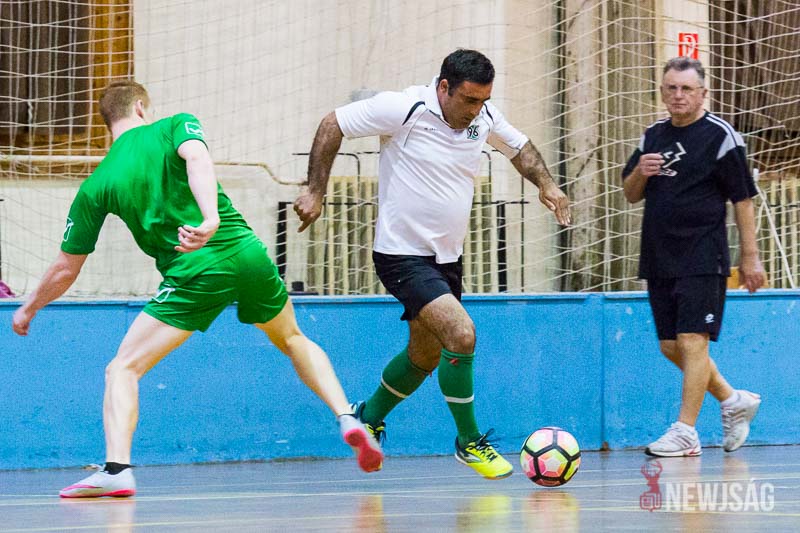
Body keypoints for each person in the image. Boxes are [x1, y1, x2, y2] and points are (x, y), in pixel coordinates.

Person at [11, 81, 383, 498]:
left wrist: (29, 307)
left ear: (107, 123)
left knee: (123, 369)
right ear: (140, 107)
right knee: (293, 338)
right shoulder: (175, 125)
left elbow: (66, 267)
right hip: (247, 254)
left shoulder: (97, 184)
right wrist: (211, 219)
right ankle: (346, 415)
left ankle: (117, 469)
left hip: (193, 275)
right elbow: (198, 157)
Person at [294, 49, 571, 479]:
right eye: (469, 100)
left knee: (424, 355)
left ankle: (367, 416)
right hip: (401, 254)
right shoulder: (404, 108)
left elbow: (520, 148)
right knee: (461, 334)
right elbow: (334, 123)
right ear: (444, 87)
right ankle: (469, 442)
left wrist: (547, 185)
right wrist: (316, 190)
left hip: (447, 258)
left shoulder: (483, 117)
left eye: (483, 100)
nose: (476, 110)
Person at [622, 57, 765, 457]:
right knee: (671, 346)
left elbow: (743, 200)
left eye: (686, 88)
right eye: (671, 88)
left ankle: (685, 431)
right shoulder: (652, 135)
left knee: (692, 341)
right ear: (662, 91)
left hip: (703, 255)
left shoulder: (721, 136)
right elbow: (630, 193)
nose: (678, 95)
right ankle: (733, 400)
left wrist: (750, 258)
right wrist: (641, 172)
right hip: (659, 256)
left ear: (703, 93)